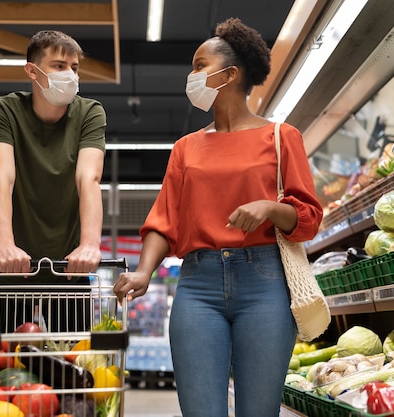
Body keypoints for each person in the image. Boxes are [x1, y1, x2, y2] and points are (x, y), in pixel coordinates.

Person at [113, 18, 323, 417]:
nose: (191, 75)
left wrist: (270, 208)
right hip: (197, 285)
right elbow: (164, 219)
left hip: (265, 284)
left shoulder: (281, 137)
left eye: (199, 65)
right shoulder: (186, 148)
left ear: (231, 73)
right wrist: (143, 272)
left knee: (258, 412)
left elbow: (309, 218)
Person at [0, 30, 106, 333]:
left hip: (69, 267)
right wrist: (4, 245)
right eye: (59, 66)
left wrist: (90, 245)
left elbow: (88, 178)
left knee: (75, 368)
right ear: (32, 70)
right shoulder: (5, 110)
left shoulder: (90, 112)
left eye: (74, 68)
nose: (70, 75)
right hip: (11, 267)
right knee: (3, 368)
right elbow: (1, 177)